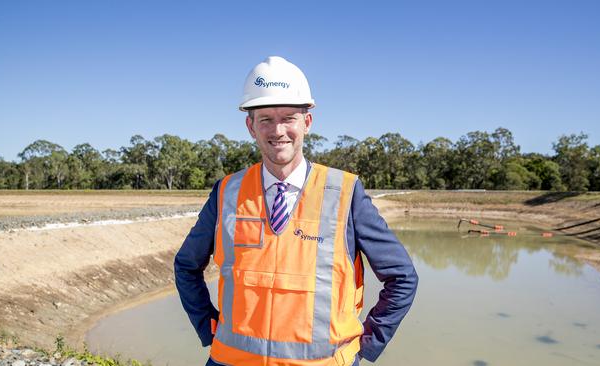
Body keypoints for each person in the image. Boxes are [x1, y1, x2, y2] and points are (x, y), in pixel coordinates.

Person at [174, 56, 418, 366]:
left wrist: (366, 346)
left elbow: (403, 277)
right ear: (250, 126)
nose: (278, 130)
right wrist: (208, 330)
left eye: (289, 117)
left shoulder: (344, 192)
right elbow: (186, 266)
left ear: (307, 122)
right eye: (265, 119)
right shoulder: (227, 192)